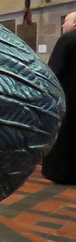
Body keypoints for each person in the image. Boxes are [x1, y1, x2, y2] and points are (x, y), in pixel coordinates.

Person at [42, 12, 76, 184]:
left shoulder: (68, 39)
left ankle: (61, 173)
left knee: (64, 136)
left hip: (68, 97)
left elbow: (54, 71)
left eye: (66, 22)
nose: (63, 25)